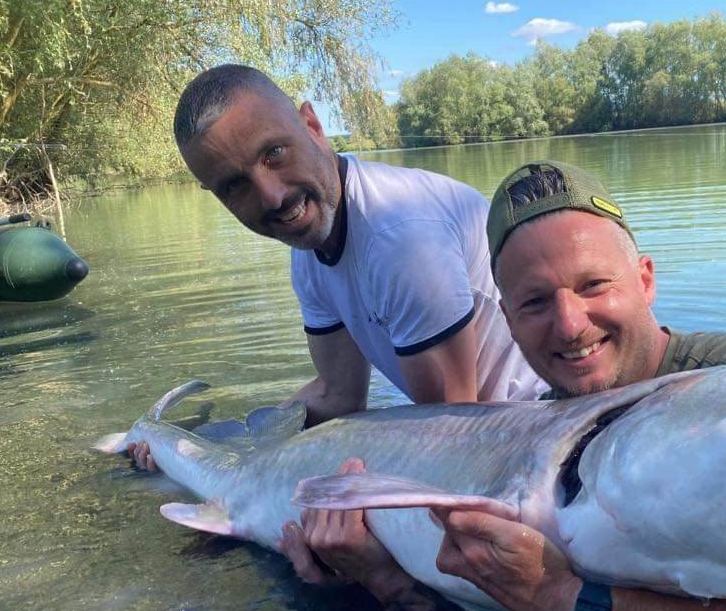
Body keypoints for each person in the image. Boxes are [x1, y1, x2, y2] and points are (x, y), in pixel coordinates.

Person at [284, 160, 726, 611]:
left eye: (593, 285)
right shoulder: (545, 433)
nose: (570, 325)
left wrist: (570, 603)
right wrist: (387, 580)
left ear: (646, 279)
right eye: (534, 303)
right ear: (506, 321)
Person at [128, 64, 543, 472]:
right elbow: (338, 394)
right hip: (474, 437)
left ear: (312, 125)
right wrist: (213, 444)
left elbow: (452, 435)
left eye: (274, 153)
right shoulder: (310, 242)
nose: (272, 197)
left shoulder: (400, 237)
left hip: (537, 441)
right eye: (235, 185)